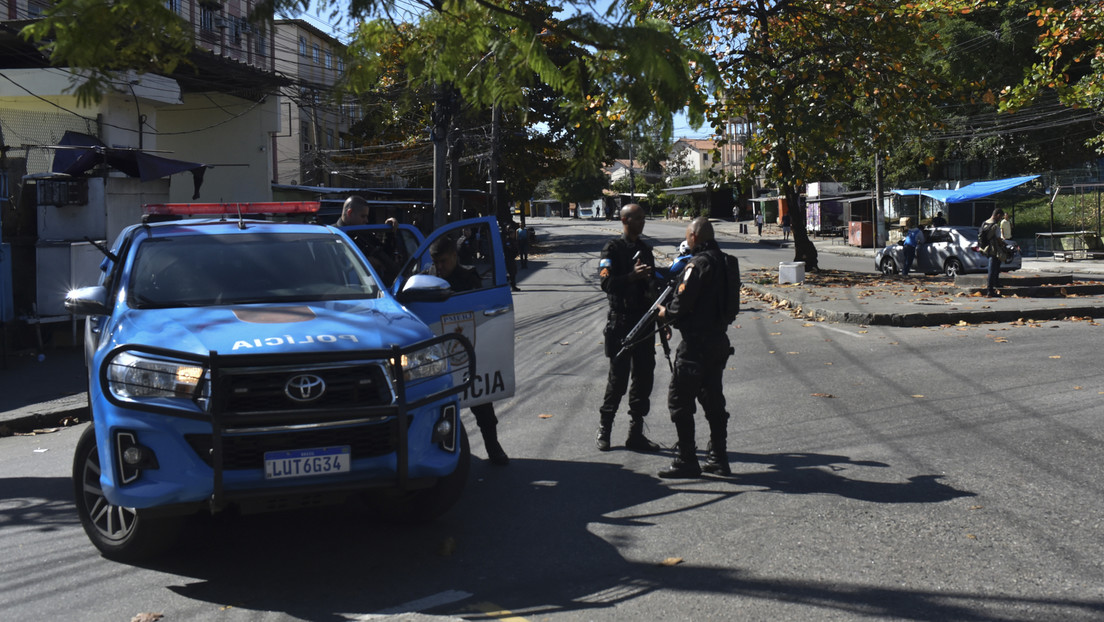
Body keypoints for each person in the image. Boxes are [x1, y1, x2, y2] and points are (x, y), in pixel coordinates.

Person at [656, 217, 733, 478]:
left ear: (694, 237)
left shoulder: (697, 264)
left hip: (695, 345)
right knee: (713, 400)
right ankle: (718, 458)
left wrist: (665, 313)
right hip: (718, 341)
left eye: (688, 235)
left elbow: (680, 305)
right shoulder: (726, 262)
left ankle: (687, 459)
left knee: (679, 399)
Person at [428, 236, 510, 465]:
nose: (440, 267)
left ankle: (493, 446)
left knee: (481, 402)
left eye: (443, 261)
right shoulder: (428, 278)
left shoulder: (468, 277)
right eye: (436, 262)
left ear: (454, 256)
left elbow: (481, 310)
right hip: (437, 353)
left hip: (467, 348)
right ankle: (440, 455)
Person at [595, 203, 662, 453]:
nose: (643, 222)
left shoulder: (645, 249)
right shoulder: (612, 249)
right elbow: (606, 282)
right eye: (638, 218)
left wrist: (661, 319)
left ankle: (636, 432)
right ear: (625, 220)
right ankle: (605, 428)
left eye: (644, 218)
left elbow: (653, 286)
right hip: (621, 323)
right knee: (618, 380)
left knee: (644, 378)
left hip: (644, 322)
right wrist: (631, 277)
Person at [979, 208, 1007, 298]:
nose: (1000, 219)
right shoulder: (995, 226)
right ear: (998, 215)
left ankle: (995, 283)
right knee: (992, 269)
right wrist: (1003, 244)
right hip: (993, 249)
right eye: (1001, 217)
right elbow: (999, 239)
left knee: (995, 266)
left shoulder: (984, 223)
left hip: (986, 248)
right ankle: (990, 290)